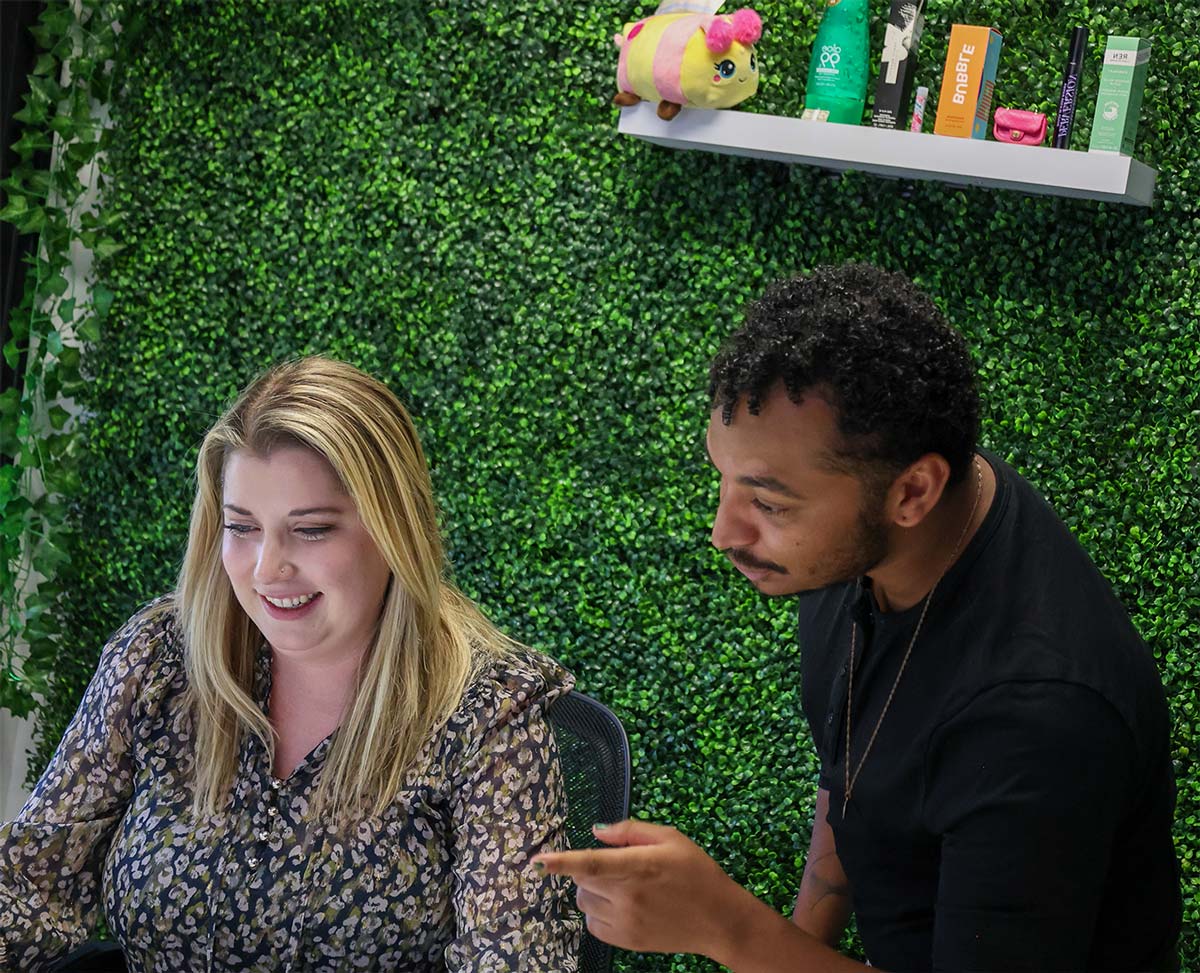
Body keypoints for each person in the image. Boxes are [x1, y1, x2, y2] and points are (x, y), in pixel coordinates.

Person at [535, 263, 1182, 971]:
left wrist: (728, 926)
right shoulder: (881, 529)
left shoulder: (1036, 717)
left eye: (770, 504)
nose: (725, 532)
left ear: (914, 492)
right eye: (723, 480)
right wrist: (801, 942)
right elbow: (855, 762)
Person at [0, 356, 582, 972]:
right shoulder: (160, 659)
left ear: (395, 530)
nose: (265, 569)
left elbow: (515, 958)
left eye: (310, 531)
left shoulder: (487, 709)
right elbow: (31, 887)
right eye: (241, 527)